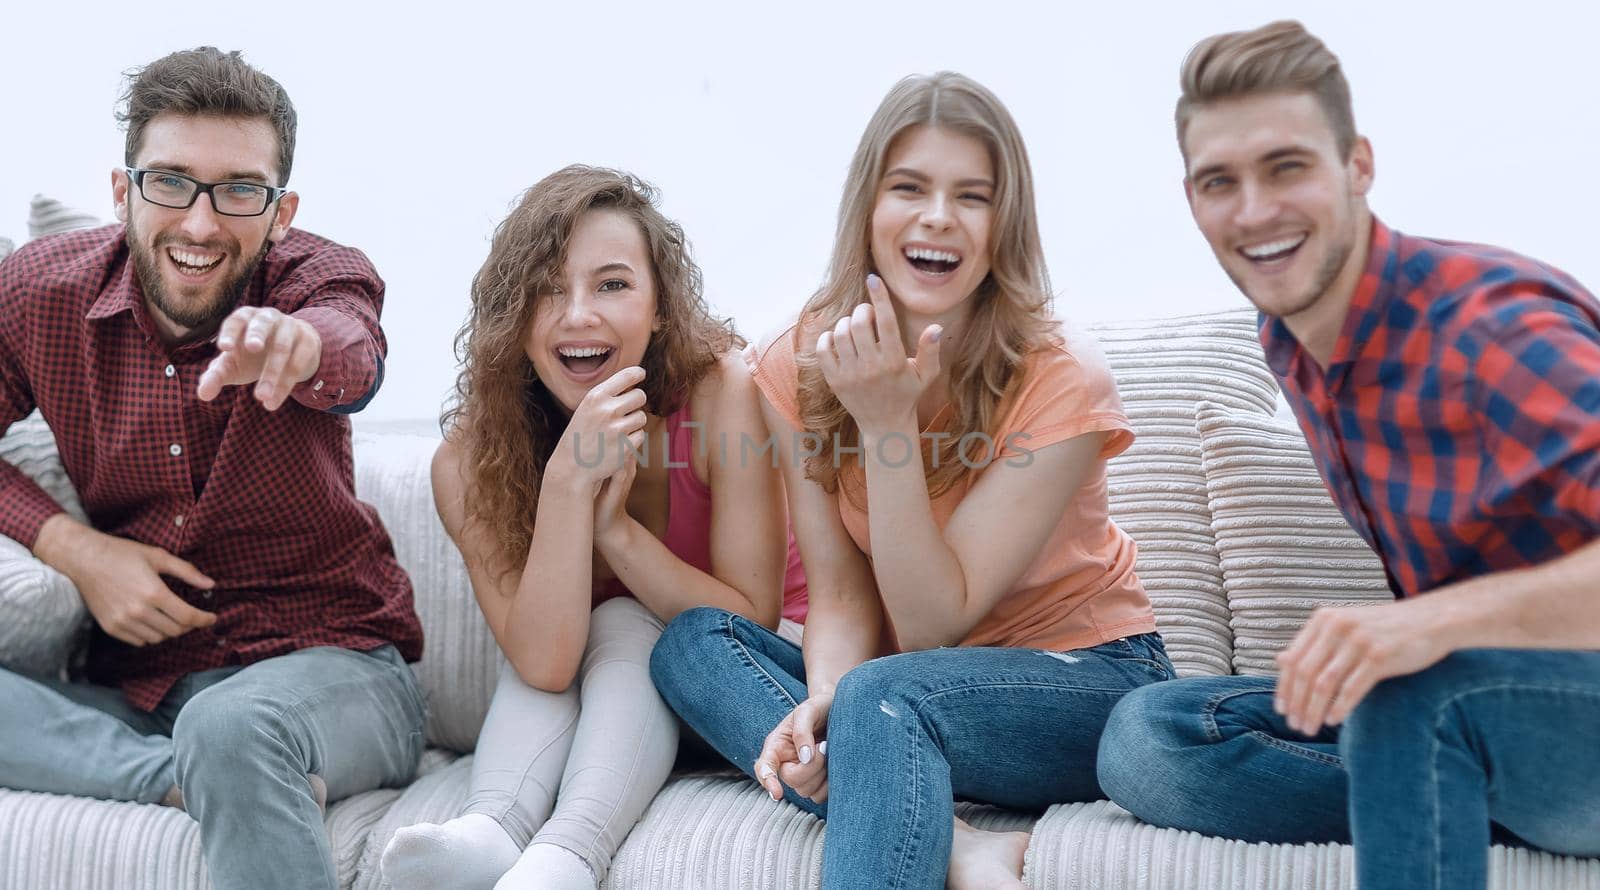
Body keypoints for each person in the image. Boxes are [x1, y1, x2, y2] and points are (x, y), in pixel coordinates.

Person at [1095, 20, 1600, 889]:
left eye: (1286, 167)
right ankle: (1434, 790)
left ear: (1357, 165)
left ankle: (1434, 770)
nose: (1253, 212)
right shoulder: (1291, 340)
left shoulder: (1492, 332)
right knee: (1152, 737)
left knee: (1413, 693)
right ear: (1191, 200)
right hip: (1483, 724)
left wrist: (1426, 626)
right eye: (1222, 182)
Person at [649, 72, 1173, 890]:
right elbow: (843, 595)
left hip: (1080, 679)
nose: (937, 216)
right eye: (910, 187)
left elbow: (933, 622)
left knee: (887, 696)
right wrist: (823, 702)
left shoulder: (1060, 375)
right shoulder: (803, 360)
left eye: (972, 196)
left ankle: (880, 750)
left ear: (1006, 226)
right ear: (869, 207)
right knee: (692, 643)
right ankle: (957, 841)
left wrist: (887, 426)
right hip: (898, 697)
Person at [0, 47, 425, 890]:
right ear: (122, 192)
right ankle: (176, 779)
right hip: (147, 694)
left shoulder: (319, 278)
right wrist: (75, 551)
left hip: (341, 671)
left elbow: (353, 346)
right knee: (215, 734)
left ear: (281, 212)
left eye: (238, 191)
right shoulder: (38, 295)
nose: (200, 223)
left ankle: (220, 763)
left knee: (233, 728)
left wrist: (302, 349)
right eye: (170, 182)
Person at [380, 165, 808, 890]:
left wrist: (615, 532)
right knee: (581, 636)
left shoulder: (722, 394)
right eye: (547, 290)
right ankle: (491, 833)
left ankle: (567, 855)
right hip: (601, 703)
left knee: (617, 619)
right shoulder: (467, 462)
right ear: (512, 322)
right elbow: (544, 662)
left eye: (612, 284)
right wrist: (567, 485)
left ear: (660, 307)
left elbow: (745, 617)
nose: (578, 313)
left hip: (746, 683)